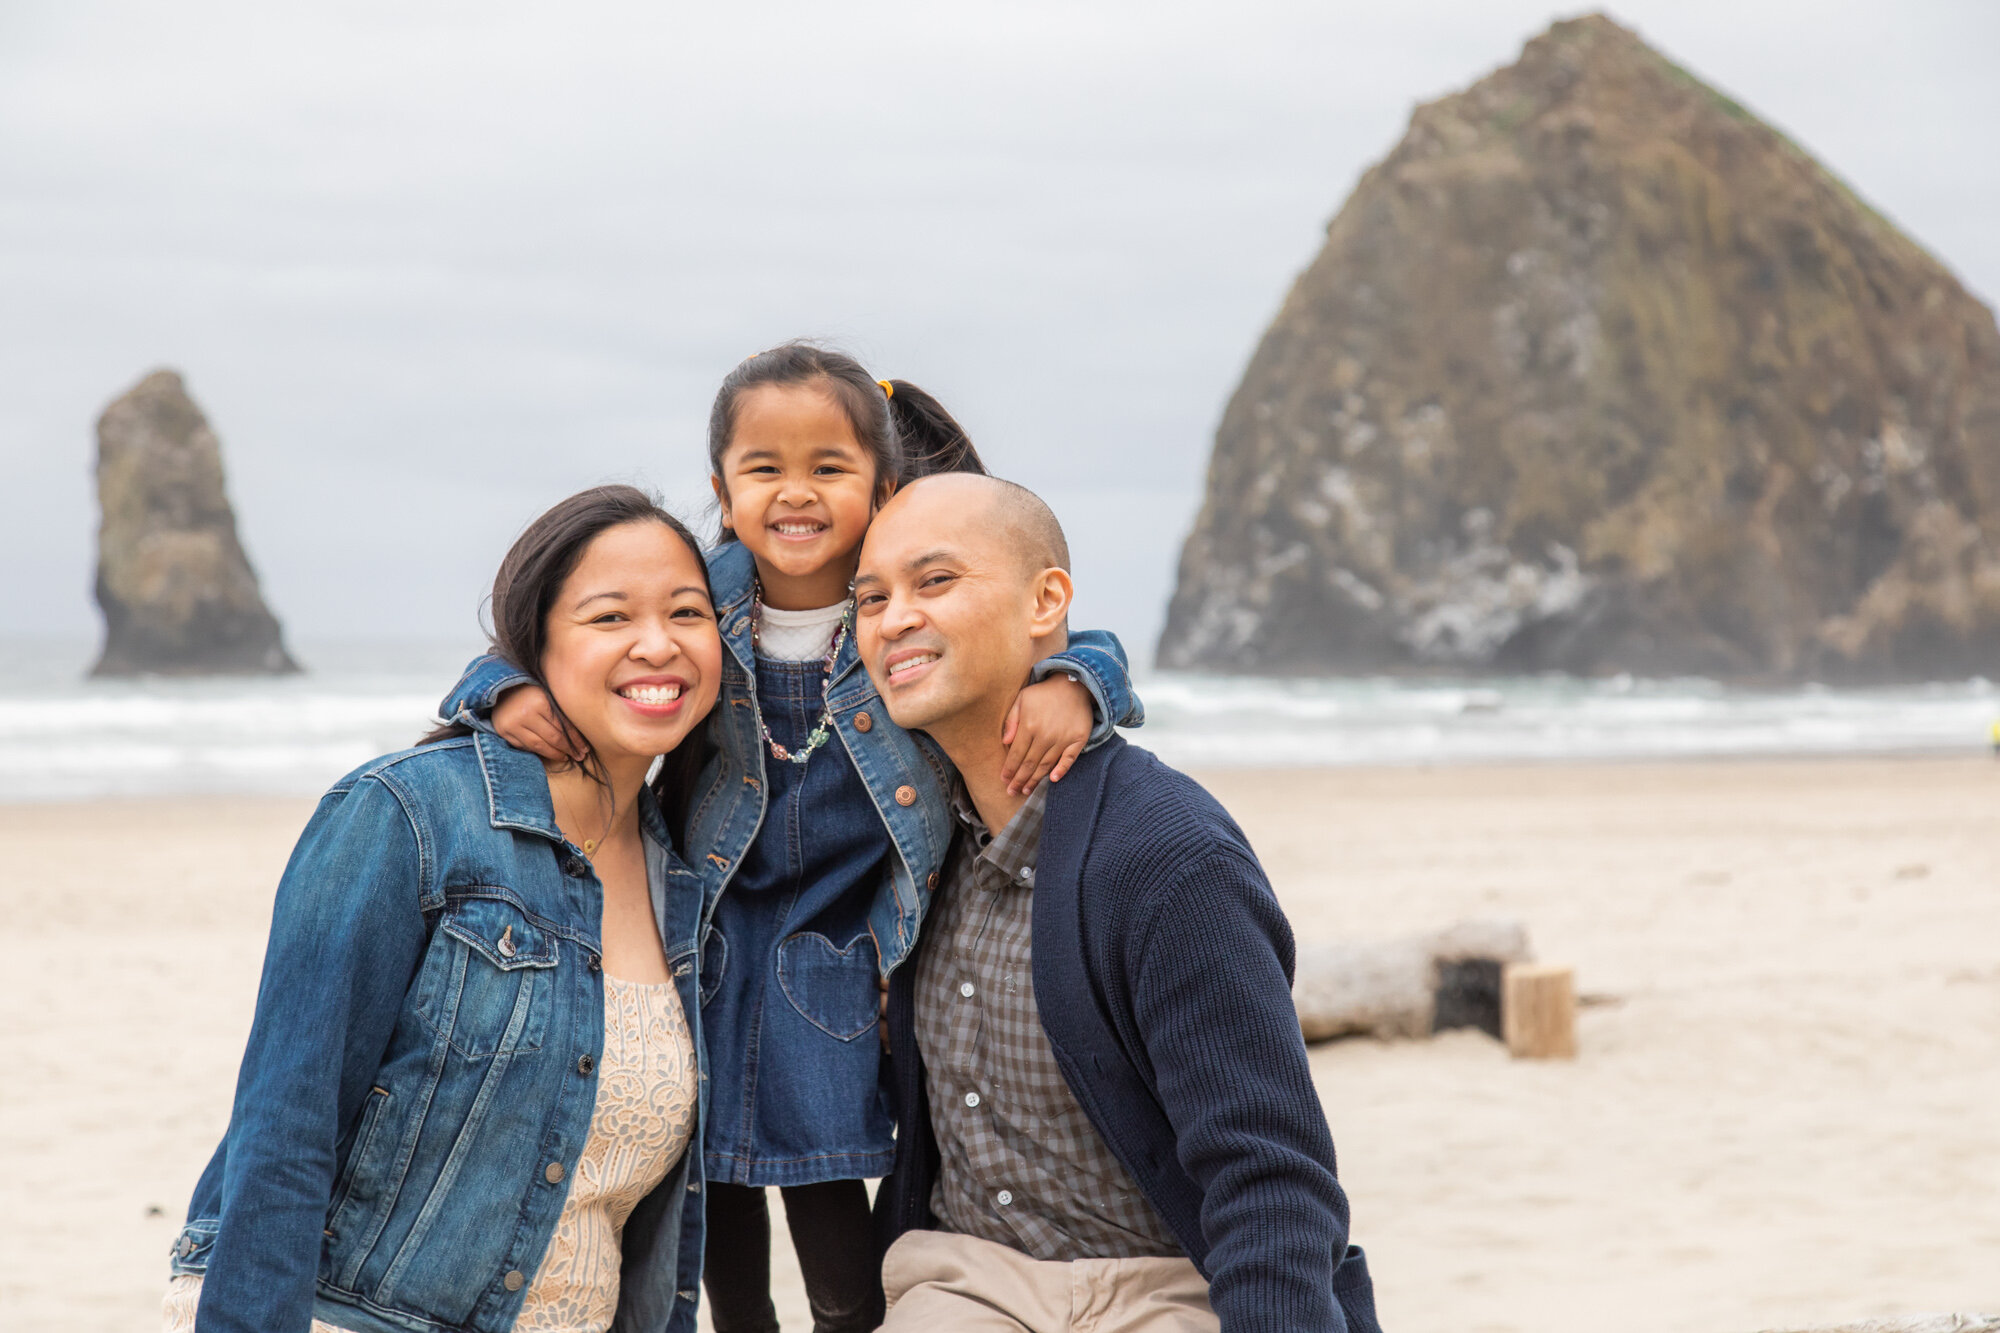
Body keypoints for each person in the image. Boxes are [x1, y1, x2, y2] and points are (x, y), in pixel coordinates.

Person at [437, 343, 1144, 1332]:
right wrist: (507, 695)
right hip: (710, 932)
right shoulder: (698, 593)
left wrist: (1077, 686)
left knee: (823, 1180)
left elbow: (1057, 622)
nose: (795, 493)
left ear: (883, 487)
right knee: (710, 1176)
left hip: (841, 942)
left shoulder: (893, 597)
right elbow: (527, 644)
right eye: (764, 469)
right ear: (723, 491)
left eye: (828, 468)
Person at [163, 485, 727, 1333]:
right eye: (610, 618)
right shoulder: (408, 814)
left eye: (688, 611)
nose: (658, 644)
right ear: (533, 648)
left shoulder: (686, 884)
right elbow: (285, 1130)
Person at [856, 473, 1384, 1333]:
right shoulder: (911, 849)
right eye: (871, 598)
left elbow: (1271, 1177)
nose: (894, 618)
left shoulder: (1167, 858)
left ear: (1047, 601)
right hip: (968, 1283)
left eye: (936, 581)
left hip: (1168, 1287)